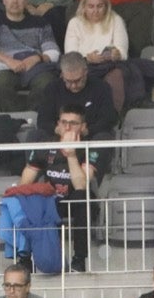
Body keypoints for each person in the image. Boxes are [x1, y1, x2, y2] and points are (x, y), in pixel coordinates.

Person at [21, 107, 104, 275]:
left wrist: (71, 154)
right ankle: (25, 260)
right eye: (64, 122)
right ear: (58, 125)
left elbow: (81, 184)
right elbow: (25, 181)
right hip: (52, 201)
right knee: (26, 199)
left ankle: (78, 260)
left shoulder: (89, 146)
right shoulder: (47, 146)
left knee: (82, 198)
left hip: (77, 201)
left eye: (73, 123)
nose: (67, 128)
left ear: (83, 127)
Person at [0, 0, 61, 111]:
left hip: (36, 68)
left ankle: (33, 117)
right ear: (4, 0)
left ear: (26, 1)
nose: (15, 1)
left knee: (47, 82)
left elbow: (54, 52)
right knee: (0, 82)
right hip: (7, 68)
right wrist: (8, 60)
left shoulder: (40, 23)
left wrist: (37, 58)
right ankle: (15, 118)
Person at [65, 0, 144, 113]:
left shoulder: (116, 20)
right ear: (83, 7)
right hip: (84, 65)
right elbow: (71, 54)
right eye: (91, 6)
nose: (95, 11)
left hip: (110, 65)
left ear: (106, 7)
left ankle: (113, 115)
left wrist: (115, 54)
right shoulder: (74, 23)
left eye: (99, 6)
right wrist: (87, 58)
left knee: (116, 76)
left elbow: (123, 52)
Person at [36, 52, 120, 141]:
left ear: (85, 72)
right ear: (62, 75)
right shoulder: (52, 88)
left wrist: (86, 131)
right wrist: (59, 130)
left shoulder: (101, 87)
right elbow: (43, 120)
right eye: (68, 81)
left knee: (104, 138)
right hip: (58, 139)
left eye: (77, 80)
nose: (73, 86)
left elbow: (108, 118)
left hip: (90, 138)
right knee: (36, 135)